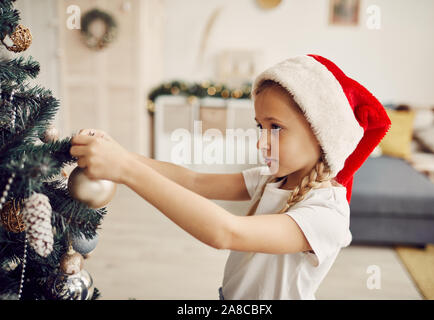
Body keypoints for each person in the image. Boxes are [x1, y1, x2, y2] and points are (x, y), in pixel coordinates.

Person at [69, 54, 391, 300]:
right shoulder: (271, 179)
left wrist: (127, 169)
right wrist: (121, 154)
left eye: (275, 128)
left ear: (322, 136)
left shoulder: (326, 214)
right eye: (260, 126)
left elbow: (226, 232)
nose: (261, 141)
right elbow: (194, 182)